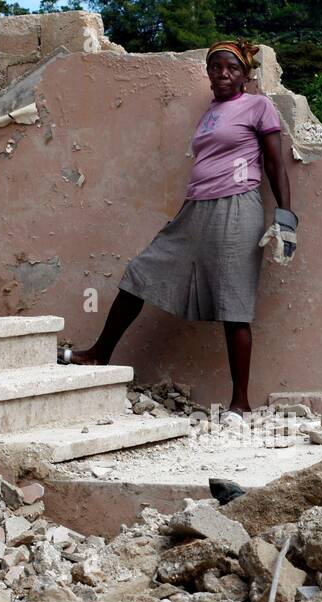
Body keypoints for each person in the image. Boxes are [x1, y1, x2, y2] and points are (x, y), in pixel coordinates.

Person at [58, 38, 297, 422]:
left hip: (237, 207)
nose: (223, 74)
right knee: (141, 273)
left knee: (233, 303)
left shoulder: (258, 106)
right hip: (195, 211)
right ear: (208, 73)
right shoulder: (211, 112)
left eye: (232, 68)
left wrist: (286, 215)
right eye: (216, 67)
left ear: (245, 75)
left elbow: (274, 164)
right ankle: (100, 353)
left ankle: (241, 402)